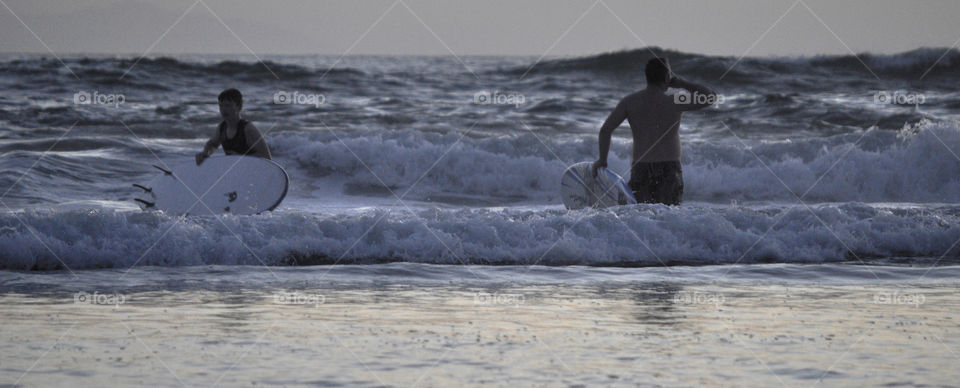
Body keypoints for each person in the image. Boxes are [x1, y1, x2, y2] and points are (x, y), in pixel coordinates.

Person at [592, 57, 716, 205]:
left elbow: (606, 130)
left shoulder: (630, 101)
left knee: (640, 214)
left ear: (647, 77)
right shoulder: (675, 100)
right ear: (667, 77)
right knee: (670, 214)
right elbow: (710, 97)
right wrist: (683, 83)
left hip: (641, 168)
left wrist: (603, 160)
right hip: (670, 168)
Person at [196, 88, 272, 165]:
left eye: (227, 105)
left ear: (239, 107)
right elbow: (213, 144)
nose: (223, 109)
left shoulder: (247, 129)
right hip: (236, 170)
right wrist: (205, 153)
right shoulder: (222, 127)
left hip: (252, 169)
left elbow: (266, 157)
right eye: (221, 106)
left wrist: (240, 157)